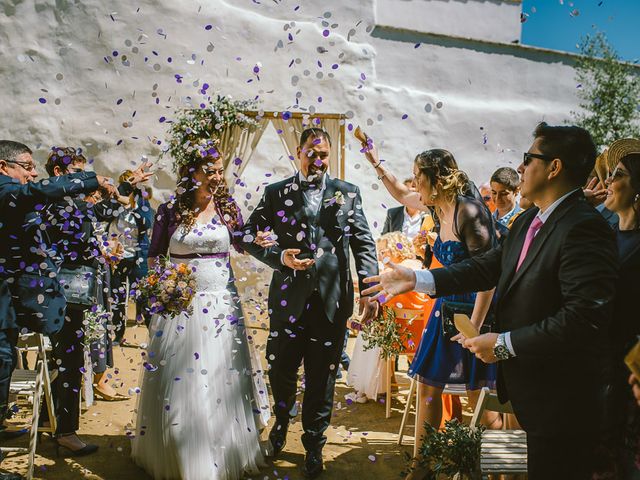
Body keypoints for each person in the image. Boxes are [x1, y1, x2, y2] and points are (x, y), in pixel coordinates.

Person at [363, 123, 619, 480]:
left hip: (555, 395)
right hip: (514, 368)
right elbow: (488, 268)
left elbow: (583, 319)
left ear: (554, 168)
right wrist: (419, 278)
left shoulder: (583, 227)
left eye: (529, 159)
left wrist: (502, 343)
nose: (521, 168)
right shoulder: (531, 219)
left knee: (524, 444)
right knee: (498, 439)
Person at [242, 127, 379, 478]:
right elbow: (246, 236)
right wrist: (279, 258)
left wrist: (369, 289)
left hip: (332, 303)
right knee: (282, 370)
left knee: (323, 377)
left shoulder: (348, 193)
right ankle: (281, 423)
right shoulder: (276, 193)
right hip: (288, 301)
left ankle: (314, 444)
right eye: (311, 153)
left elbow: (363, 243)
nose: (317, 160)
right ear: (298, 152)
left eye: (323, 155)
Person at [131, 146, 270, 480]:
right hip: (181, 309)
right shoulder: (170, 210)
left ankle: (221, 449)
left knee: (221, 378)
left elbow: (242, 242)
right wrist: (162, 287)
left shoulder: (226, 207)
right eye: (210, 170)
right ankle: (182, 452)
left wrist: (260, 240)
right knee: (181, 382)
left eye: (220, 170)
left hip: (222, 306)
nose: (217, 177)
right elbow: (153, 256)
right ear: (191, 173)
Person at [361, 144, 498, 480]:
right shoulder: (436, 207)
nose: (415, 185)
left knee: (480, 397)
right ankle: (422, 466)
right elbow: (401, 193)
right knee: (428, 389)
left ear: (435, 179)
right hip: (445, 305)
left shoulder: (469, 211)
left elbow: (489, 275)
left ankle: (491, 471)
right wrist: (376, 163)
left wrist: (476, 327)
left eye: (418, 177)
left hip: (476, 309)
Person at [0, 140, 113, 475]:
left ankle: (64, 429)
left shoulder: (27, 196)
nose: (32, 173)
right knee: (7, 363)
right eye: (26, 166)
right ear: (3, 166)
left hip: (35, 296)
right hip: (23, 297)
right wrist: (90, 178)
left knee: (65, 355)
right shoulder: (11, 193)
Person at [40, 147, 150, 454]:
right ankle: (63, 431)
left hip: (74, 293)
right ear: (61, 175)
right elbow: (94, 216)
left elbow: (104, 212)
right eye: (78, 172)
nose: (85, 178)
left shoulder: (70, 202)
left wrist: (127, 187)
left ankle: (60, 427)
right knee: (68, 360)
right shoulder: (55, 204)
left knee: (67, 361)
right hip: (63, 294)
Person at [600, 146, 640, 478]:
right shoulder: (606, 235)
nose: (609, 182)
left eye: (619, 175)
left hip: (630, 375)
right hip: (599, 367)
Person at [108, 170, 153, 345]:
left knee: (144, 297)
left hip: (138, 256)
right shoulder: (114, 204)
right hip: (118, 257)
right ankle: (118, 335)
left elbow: (147, 222)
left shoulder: (142, 203)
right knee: (117, 297)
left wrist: (133, 206)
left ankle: (151, 336)